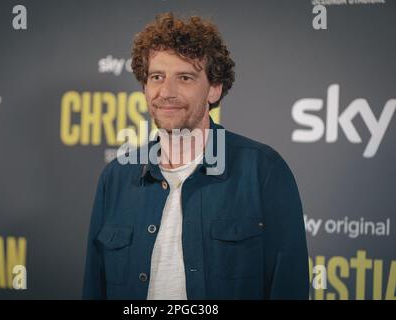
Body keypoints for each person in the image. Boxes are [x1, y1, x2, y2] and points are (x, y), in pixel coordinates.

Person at [82, 12, 309, 300]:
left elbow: (289, 288)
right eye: (157, 77)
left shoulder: (263, 171)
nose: (167, 92)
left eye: (185, 78)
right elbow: (94, 288)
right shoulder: (115, 177)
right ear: (144, 87)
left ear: (214, 88)